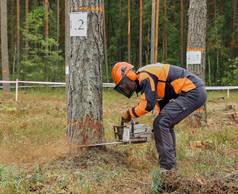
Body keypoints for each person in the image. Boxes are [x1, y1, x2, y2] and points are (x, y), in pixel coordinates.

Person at [111, 62, 207, 171]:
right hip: (193, 91)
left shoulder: (145, 76)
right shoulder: (148, 78)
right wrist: (156, 131)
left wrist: (130, 113)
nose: (126, 88)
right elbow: (160, 105)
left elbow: (148, 105)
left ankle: (167, 168)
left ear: (130, 75)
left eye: (125, 84)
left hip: (192, 91)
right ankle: (170, 163)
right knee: (163, 123)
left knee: (161, 123)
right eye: (122, 87)